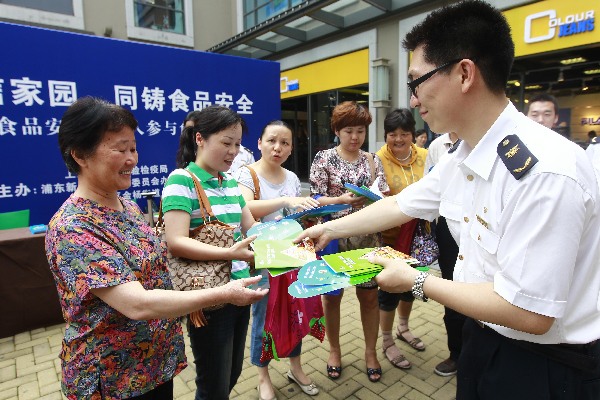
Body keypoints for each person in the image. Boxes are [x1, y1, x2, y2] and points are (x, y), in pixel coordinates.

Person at [296, 1, 600, 399]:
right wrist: (326, 229)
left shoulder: (544, 171)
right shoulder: (465, 155)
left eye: (417, 81)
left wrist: (417, 281)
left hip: (545, 366)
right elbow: (400, 204)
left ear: (463, 73)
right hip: (482, 336)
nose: (415, 99)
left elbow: (531, 312)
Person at [45, 97, 266, 400]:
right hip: (113, 378)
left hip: (155, 365)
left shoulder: (128, 207)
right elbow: (138, 304)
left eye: (133, 149)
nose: (131, 159)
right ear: (80, 155)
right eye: (120, 149)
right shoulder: (74, 227)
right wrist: (223, 293)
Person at [161, 105, 261, 400]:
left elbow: (250, 225)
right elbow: (176, 241)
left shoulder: (228, 181)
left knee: (232, 373)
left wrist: (285, 240)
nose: (233, 151)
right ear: (200, 139)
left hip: (240, 287)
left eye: (238, 144)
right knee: (213, 383)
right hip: (209, 295)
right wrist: (231, 252)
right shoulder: (181, 180)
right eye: (226, 143)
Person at [234, 120, 321, 400]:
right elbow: (244, 207)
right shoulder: (246, 174)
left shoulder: (292, 178)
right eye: (272, 140)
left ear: (291, 148)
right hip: (261, 259)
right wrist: (286, 202)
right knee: (264, 316)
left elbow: (294, 216)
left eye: (285, 143)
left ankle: (295, 367)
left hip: (292, 255)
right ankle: (262, 376)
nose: (277, 147)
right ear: (259, 143)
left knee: (296, 311)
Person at [309, 101, 389, 383]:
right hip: (332, 237)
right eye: (348, 131)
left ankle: (370, 352)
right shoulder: (324, 158)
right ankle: (334, 351)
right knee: (332, 298)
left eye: (360, 131)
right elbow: (314, 199)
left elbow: (384, 193)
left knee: (369, 297)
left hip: (367, 239)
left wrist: (375, 197)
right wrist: (341, 199)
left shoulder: (372, 160)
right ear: (337, 131)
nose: (354, 137)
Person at [375, 108, 427, 371]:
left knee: (412, 285)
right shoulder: (377, 160)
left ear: (412, 135)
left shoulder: (426, 157)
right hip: (389, 239)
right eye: (392, 134)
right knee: (388, 291)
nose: (397, 139)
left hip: (418, 238)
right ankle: (386, 340)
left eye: (404, 134)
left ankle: (403, 328)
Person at [424, 131, 465, 377]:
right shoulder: (438, 146)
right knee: (452, 293)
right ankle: (456, 354)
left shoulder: (491, 139)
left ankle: (476, 356)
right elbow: (427, 188)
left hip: (480, 227)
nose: (416, 102)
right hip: (447, 227)